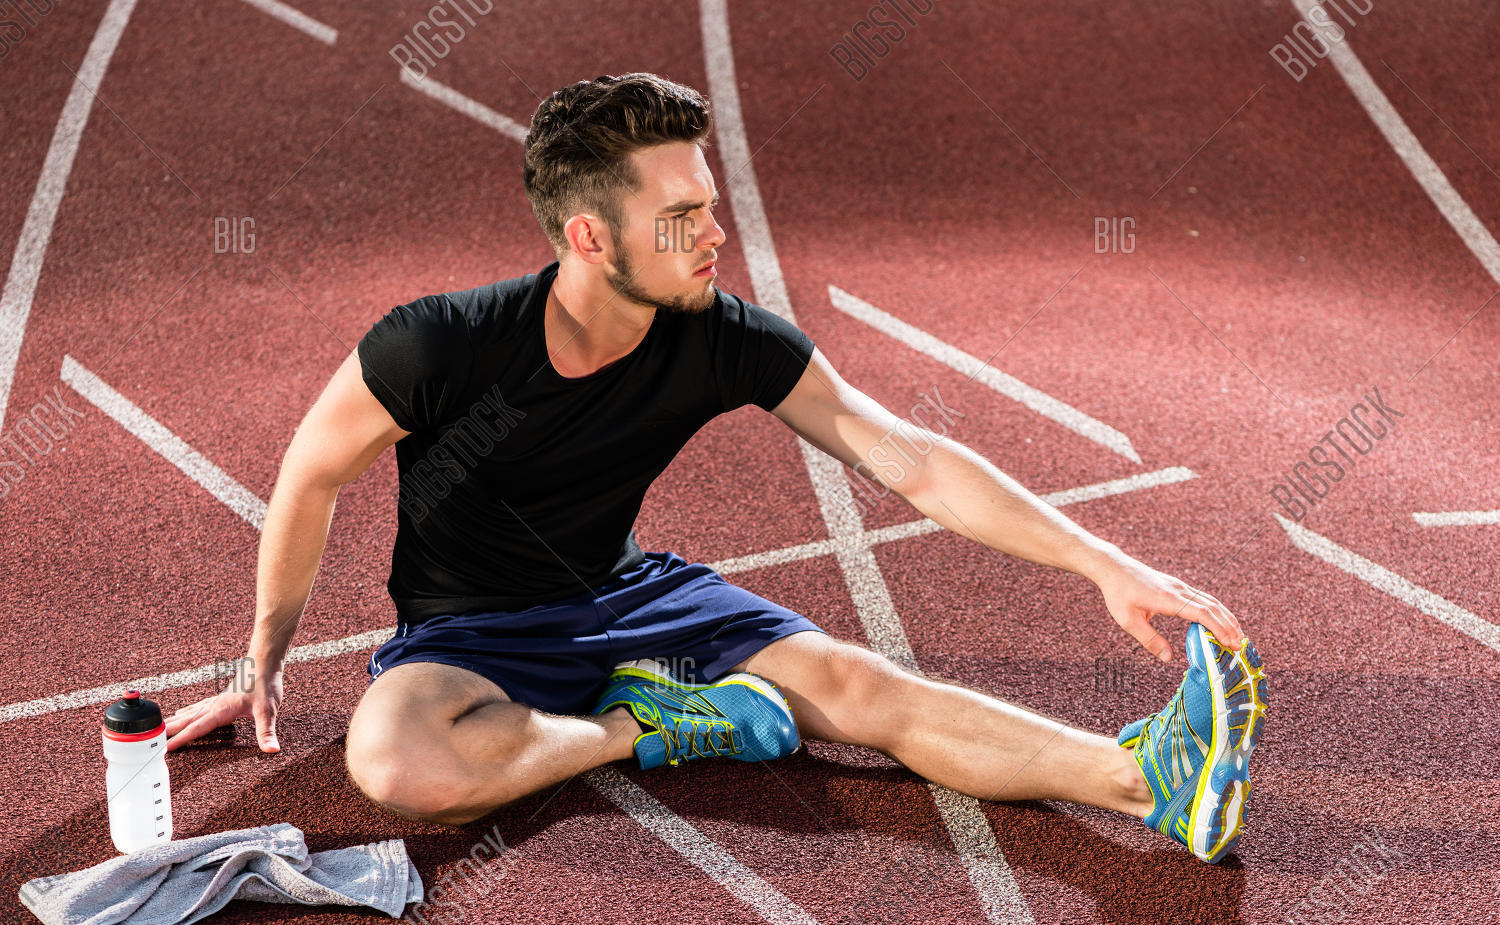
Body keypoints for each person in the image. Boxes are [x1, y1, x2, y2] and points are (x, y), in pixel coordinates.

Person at [165, 73, 1265, 864]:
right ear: (590, 238)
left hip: (633, 598)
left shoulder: (721, 335)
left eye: (710, 206)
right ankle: (653, 722)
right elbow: (311, 473)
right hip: (470, 634)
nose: (713, 234)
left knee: (858, 687)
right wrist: (263, 659)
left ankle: (1147, 779)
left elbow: (911, 459)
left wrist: (1103, 562)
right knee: (397, 765)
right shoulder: (439, 345)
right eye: (681, 216)